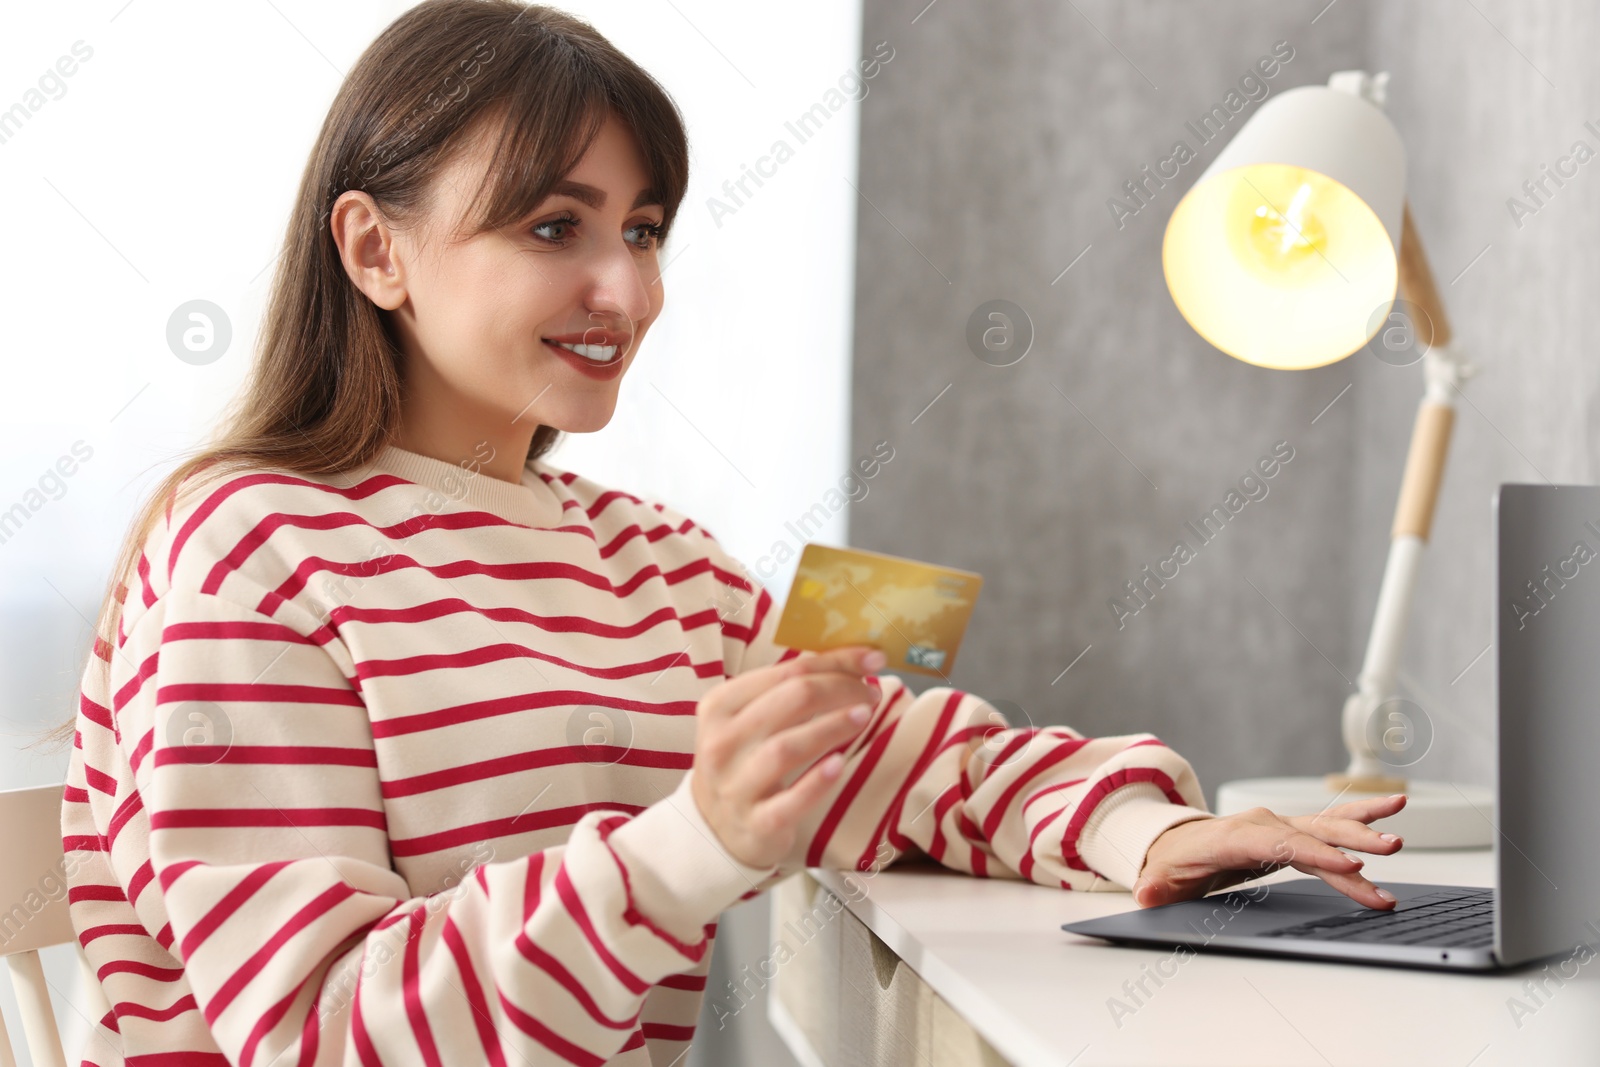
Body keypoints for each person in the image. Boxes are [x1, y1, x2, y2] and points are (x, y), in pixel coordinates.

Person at [54, 2, 1408, 1064]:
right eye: (552, 225)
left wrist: (1135, 834)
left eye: (643, 230)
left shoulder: (664, 562)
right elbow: (315, 1032)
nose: (626, 288)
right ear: (374, 251)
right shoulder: (246, 546)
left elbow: (912, 749)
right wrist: (692, 847)